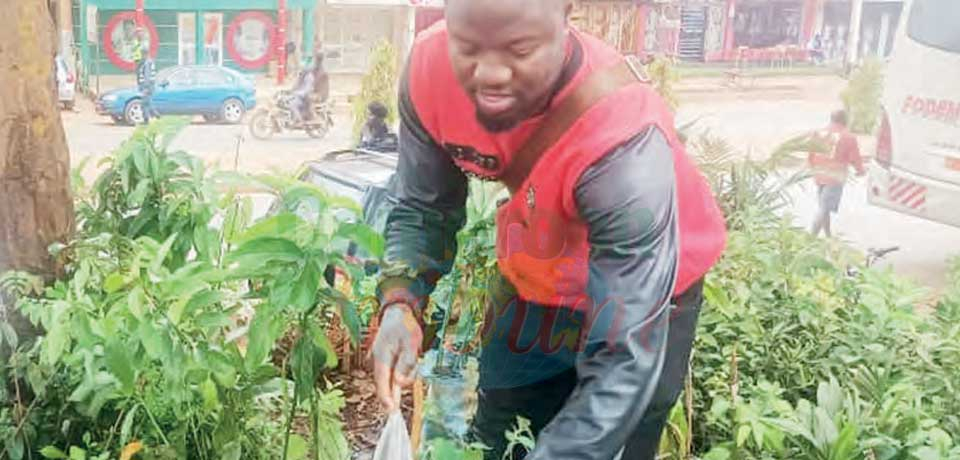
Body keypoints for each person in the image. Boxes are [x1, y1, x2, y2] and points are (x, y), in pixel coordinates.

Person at [369, 1, 727, 459]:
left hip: (644, 299)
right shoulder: (427, 69)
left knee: (617, 440)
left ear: (565, 17)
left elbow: (624, 355)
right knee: (500, 435)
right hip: (534, 282)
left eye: (520, 48)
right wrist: (401, 301)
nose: (490, 75)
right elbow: (423, 206)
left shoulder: (624, 142)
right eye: (468, 47)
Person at [808, 110, 865, 238]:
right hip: (834, 176)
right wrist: (860, 171)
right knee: (824, 208)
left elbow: (811, 153)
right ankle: (811, 238)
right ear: (845, 120)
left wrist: (813, 168)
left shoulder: (818, 133)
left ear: (832, 119)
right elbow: (854, 158)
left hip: (819, 173)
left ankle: (828, 235)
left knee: (824, 206)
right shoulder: (849, 137)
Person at [133, 31, 157, 124]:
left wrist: (145, 87)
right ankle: (155, 116)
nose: (142, 55)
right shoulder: (146, 62)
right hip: (147, 85)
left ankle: (148, 119)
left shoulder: (147, 63)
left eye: (143, 54)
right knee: (148, 102)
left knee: (145, 103)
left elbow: (146, 76)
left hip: (147, 86)